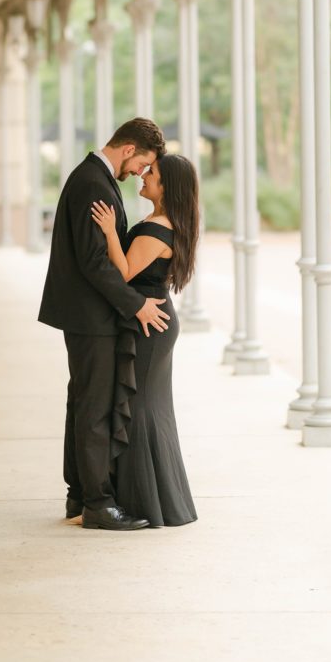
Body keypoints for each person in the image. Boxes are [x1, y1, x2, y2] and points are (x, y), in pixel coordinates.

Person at [38, 118, 170, 532]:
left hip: (85, 314)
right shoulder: (94, 183)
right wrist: (136, 306)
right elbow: (95, 263)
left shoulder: (92, 177)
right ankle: (97, 503)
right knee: (93, 408)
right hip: (91, 317)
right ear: (129, 149)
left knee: (82, 403)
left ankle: (79, 494)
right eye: (143, 164)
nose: (140, 174)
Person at [90, 153, 198, 528]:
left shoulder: (157, 228)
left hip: (150, 325)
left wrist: (107, 231)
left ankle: (148, 503)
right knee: (148, 409)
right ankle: (158, 500)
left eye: (152, 173)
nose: (144, 175)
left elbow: (124, 272)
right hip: (153, 319)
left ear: (168, 186)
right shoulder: (162, 222)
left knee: (141, 410)